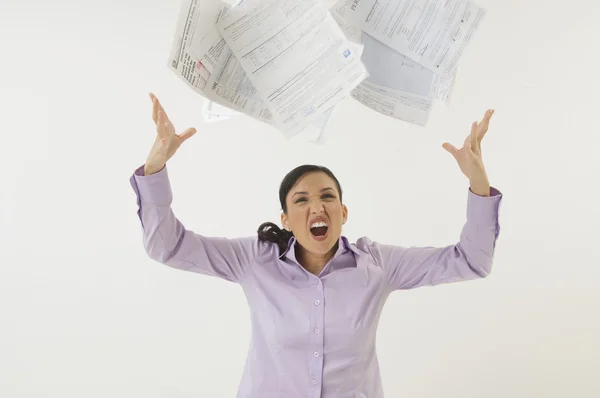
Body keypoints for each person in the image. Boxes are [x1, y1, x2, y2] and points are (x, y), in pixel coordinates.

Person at [129, 93, 503, 398]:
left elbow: (471, 261)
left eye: (326, 197)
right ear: (286, 220)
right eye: (301, 200)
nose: (316, 207)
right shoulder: (253, 260)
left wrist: (478, 185)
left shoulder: (376, 264)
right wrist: (155, 170)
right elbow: (168, 246)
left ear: (342, 212)